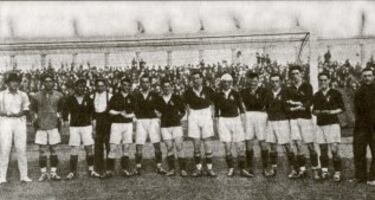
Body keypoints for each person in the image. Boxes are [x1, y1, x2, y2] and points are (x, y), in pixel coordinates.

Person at [214, 73, 252, 177]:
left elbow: (242, 110)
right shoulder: (218, 95)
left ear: (231, 83)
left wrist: (243, 124)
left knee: (240, 146)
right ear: (221, 83)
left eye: (228, 82)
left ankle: (243, 169)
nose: (226, 84)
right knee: (227, 146)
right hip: (223, 121)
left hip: (236, 120)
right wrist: (217, 127)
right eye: (224, 82)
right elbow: (216, 113)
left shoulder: (236, 93)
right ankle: (231, 168)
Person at [285, 65, 319, 179]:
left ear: (301, 74)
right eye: (293, 74)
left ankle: (315, 169)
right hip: (294, 119)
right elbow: (287, 103)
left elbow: (308, 102)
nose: (295, 76)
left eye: (297, 73)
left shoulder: (307, 86)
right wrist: (298, 104)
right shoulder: (289, 88)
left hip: (305, 118)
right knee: (298, 144)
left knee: (310, 144)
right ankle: (303, 170)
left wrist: (296, 103)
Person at [62, 79, 101, 180]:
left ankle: (91, 170)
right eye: (79, 86)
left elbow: (93, 114)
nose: (81, 88)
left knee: (89, 148)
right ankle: (72, 172)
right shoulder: (70, 99)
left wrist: (94, 128)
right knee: (74, 149)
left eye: (83, 86)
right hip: (74, 127)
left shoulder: (88, 99)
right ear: (75, 87)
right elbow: (65, 113)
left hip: (86, 126)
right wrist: (66, 124)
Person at [30, 74, 64, 181]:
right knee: (42, 151)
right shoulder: (36, 96)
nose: (48, 83)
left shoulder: (59, 95)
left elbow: (62, 109)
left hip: (53, 126)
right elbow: (32, 110)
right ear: (42, 83)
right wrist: (35, 120)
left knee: (54, 150)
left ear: (54, 82)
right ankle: (43, 173)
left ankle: (53, 173)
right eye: (46, 81)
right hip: (41, 127)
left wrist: (60, 117)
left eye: (50, 81)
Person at [0, 72, 32, 184]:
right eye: (12, 81)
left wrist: (20, 113)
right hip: (6, 122)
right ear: (7, 83)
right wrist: (8, 113)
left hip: (19, 122)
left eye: (16, 81)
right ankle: (2, 177)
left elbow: (26, 108)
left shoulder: (23, 95)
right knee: (5, 148)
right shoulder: (2, 94)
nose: (15, 83)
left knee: (21, 148)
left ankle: (24, 175)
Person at [312, 72, 345, 182]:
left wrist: (330, 112)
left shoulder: (335, 93)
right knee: (323, 149)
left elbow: (341, 108)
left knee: (334, 149)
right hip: (321, 124)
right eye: (321, 80)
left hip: (333, 124)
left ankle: (337, 172)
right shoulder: (316, 95)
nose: (323, 82)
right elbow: (313, 111)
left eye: (325, 80)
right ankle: (325, 171)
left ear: (329, 80)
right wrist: (319, 112)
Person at [184, 71, 217, 177]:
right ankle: (198, 169)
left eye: (198, 78)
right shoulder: (188, 92)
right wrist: (188, 110)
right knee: (196, 144)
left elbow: (214, 102)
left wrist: (213, 113)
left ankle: (209, 168)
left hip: (206, 114)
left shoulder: (208, 90)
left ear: (202, 79)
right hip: (194, 115)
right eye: (194, 79)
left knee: (207, 143)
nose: (196, 80)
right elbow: (183, 103)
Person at [133, 75, 167, 175]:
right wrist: (135, 117)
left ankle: (159, 166)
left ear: (149, 83)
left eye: (147, 82)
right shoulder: (137, 95)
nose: (145, 84)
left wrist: (159, 114)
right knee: (139, 145)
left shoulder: (155, 95)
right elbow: (134, 108)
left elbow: (162, 107)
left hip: (153, 121)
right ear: (140, 83)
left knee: (156, 144)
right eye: (143, 82)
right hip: (141, 121)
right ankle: (138, 166)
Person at [264, 73, 296, 177]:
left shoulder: (286, 91)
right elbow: (266, 106)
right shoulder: (268, 93)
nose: (274, 83)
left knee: (287, 145)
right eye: (272, 81)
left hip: (283, 121)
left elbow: (291, 104)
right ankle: (273, 169)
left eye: (277, 81)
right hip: (271, 121)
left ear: (280, 81)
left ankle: (294, 169)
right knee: (272, 146)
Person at [154, 78, 188, 176]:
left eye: (168, 86)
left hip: (176, 125)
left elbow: (183, 111)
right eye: (164, 87)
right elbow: (156, 111)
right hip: (165, 126)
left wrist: (178, 117)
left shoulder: (177, 98)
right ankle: (172, 169)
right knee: (169, 147)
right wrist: (158, 115)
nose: (167, 88)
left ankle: (183, 169)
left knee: (179, 146)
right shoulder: (159, 100)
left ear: (171, 87)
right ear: (162, 88)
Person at [104, 77, 135, 177]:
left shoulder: (132, 97)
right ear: (121, 85)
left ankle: (124, 170)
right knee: (113, 147)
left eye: (128, 85)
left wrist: (128, 116)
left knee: (126, 147)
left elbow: (135, 112)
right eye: (124, 84)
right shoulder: (115, 97)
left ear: (130, 86)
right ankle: (109, 170)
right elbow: (109, 111)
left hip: (128, 125)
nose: (126, 87)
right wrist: (119, 113)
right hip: (116, 124)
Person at [240, 71, 269, 176]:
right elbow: (243, 105)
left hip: (260, 115)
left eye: (255, 81)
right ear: (248, 81)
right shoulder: (243, 91)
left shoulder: (264, 91)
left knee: (262, 141)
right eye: (251, 81)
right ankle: (250, 167)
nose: (253, 83)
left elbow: (262, 104)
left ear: (258, 81)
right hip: (248, 115)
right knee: (249, 140)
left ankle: (266, 167)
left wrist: (254, 98)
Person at [353, 68, 375, 186]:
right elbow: (358, 109)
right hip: (361, 127)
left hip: (374, 127)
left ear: (373, 77)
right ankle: (360, 177)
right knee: (359, 152)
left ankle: (372, 177)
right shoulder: (359, 91)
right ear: (362, 77)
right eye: (365, 76)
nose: (367, 78)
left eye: (370, 76)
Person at [92, 78, 112, 176]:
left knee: (108, 145)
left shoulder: (110, 96)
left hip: (107, 122)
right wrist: (93, 126)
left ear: (105, 86)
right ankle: (99, 168)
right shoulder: (92, 96)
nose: (100, 87)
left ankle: (109, 168)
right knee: (98, 146)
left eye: (102, 85)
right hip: (97, 121)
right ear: (95, 86)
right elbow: (92, 112)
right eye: (98, 85)